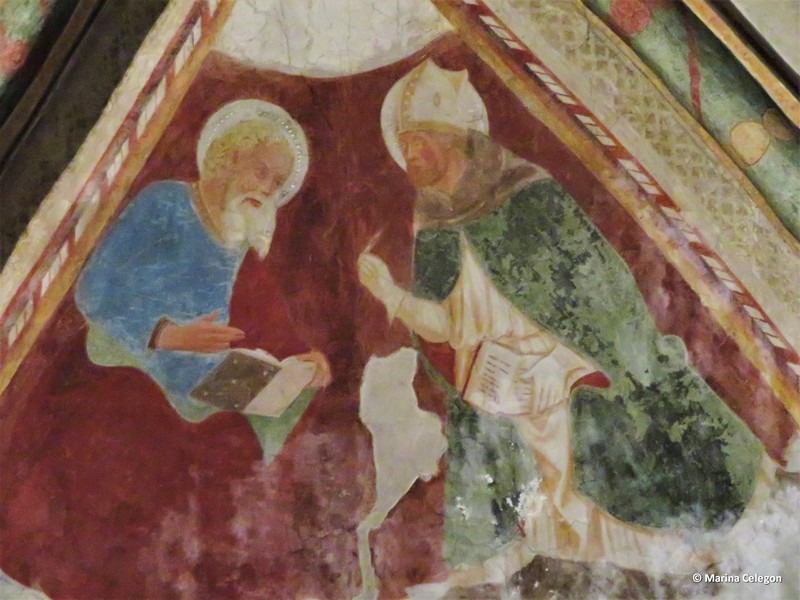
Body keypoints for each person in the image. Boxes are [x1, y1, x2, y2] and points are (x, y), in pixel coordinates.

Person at [358, 60, 769, 584]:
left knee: (610, 477)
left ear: (455, 138)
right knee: (533, 518)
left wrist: (569, 359)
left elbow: (603, 294)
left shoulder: (530, 197)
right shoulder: (434, 229)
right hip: (499, 386)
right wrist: (389, 292)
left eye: (419, 142)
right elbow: (445, 326)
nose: (411, 156)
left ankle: (681, 562)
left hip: (569, 367)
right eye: (405, 146)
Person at [76, 99, 331, 458]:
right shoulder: (165, 202)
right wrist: (168, 335)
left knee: (288, 403)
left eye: (276, 184)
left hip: (202, 377)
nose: (266, 190)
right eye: (261, 172)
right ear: (230, 158)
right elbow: (94, 290)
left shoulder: (239, 233)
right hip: (133, 361)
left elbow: (263, 313)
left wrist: (302, 357)